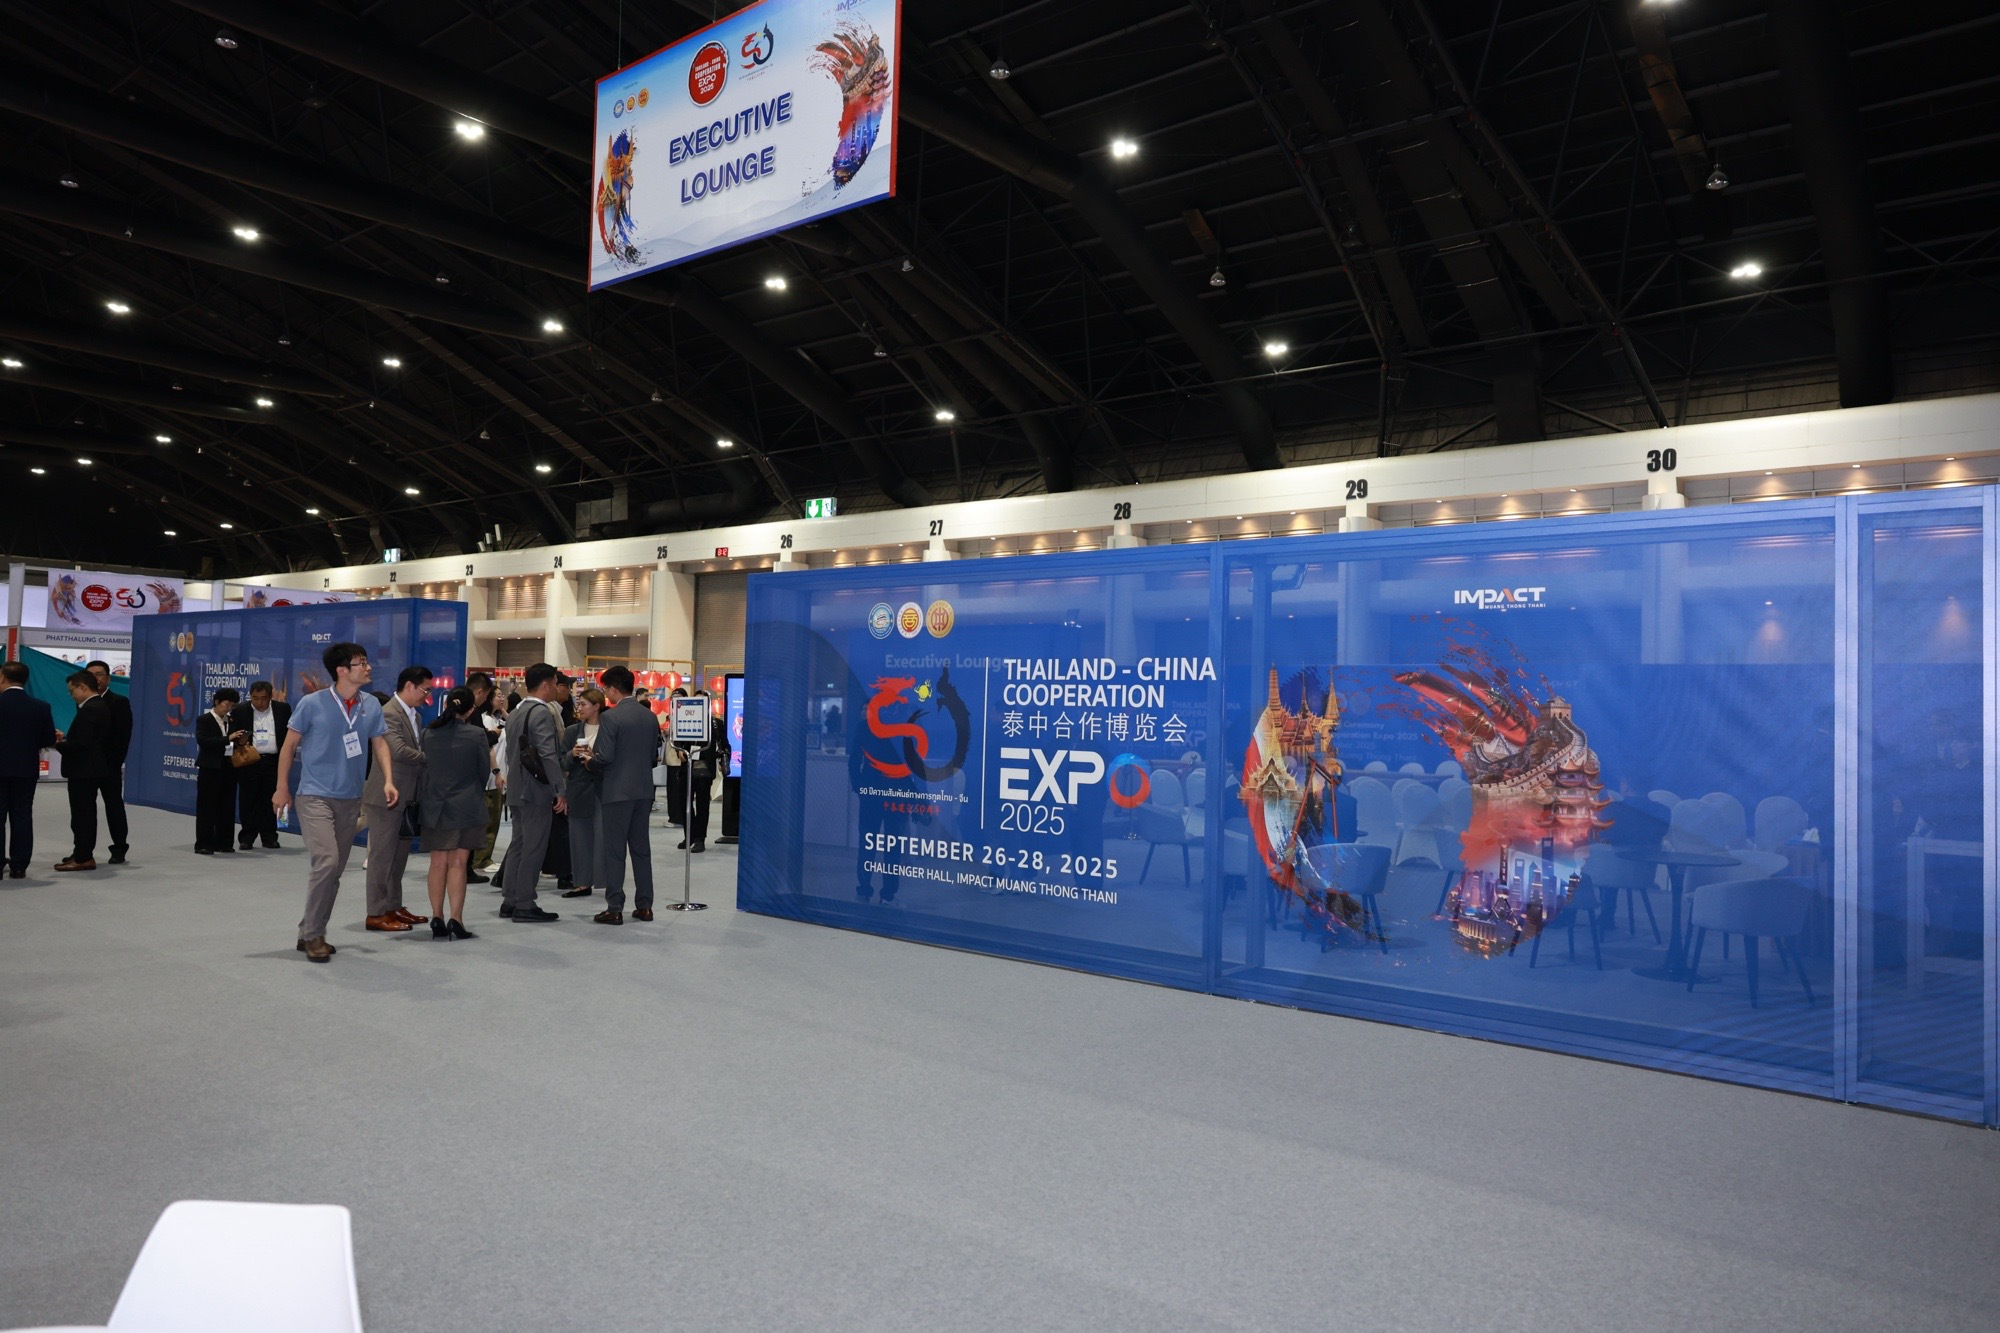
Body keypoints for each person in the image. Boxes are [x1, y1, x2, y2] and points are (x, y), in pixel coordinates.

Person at [272, 642, 397, 964]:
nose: (368, 667)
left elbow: (380, 743)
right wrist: (281, 787)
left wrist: (388, 779)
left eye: (366, 662)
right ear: (342, 670)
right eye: (361, 663)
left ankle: (308, 930)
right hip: (314, 795)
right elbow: (289, 747)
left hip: (350, 798)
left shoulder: (370, 704)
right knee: (327, 862)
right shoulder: (312, 703)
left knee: (334, 871)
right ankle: (315, 935)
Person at [362, 666, 434, 933]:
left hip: (407, 797)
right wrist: (434, 758)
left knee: (399, 856)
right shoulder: (388, 713)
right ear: (410, 686)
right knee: (381, 857)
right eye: (426, 689)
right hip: (386, 796)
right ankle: (375, 912)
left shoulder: (415, 715)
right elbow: (399, 751)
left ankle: (393, 906)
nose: (427, 695)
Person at [585, 665, 657, 924]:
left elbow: (605, 757)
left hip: (616, 791)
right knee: (641, 849)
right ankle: (645, 906)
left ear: (613, 689)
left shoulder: (611, 717)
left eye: (605, 689)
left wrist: (589, 762)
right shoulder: (649, 716)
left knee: (615, 851)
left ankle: (615, 907)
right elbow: (652, 757)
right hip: (644, 790)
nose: (605, 693)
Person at [496, 663, 566, 923]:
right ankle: (525, 902)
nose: (557, 689)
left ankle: (510, 899)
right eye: (555, 683)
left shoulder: (516, 712)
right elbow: (548, 754)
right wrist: (559, 789)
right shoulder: (541, 713)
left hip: (517, 788)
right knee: (534, 847)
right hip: (535, 790)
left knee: (519, 844)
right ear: (546, 684)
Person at [418, 686, 487, 941]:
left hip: (435, 804)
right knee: (458, 863)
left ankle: (436, 916)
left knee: (437, 863)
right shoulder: (476, 734)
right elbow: (483, 771)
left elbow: (424, 769)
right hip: (466, 805)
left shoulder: (428, 733)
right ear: (470, 710)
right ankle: (456, 919)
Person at [0, 661, 58, 879]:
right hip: (26, 768)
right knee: (22, 815)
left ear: (2, 677)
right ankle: (19, 865)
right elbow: (48, 739)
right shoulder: (41, 707)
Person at [53, 671, 113, 872]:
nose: (71, 696)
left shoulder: (90, 709)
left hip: (84, 769)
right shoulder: (97, 706)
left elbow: (81, 744)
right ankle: (81, 852)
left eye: (72, 691)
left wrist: (57, 744)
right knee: (83, 813)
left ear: (82, 687)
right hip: (88, 768)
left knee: (82, 814)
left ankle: (84, 856)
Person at [229, 681, 290, 849]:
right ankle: (247, 837)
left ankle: (270, 836)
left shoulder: (283, 709)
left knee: (272, 799)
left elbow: (289, 735)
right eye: (255, 698)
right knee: (248, 800)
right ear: (250, 696)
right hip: (250, 760)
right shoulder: (240, 710)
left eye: (263, 698)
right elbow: (231, 736)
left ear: (270, 697)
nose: (259, 702)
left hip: (274, 761)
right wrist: (240, 741)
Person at [559, 686, 607, 901]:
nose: (579, 708)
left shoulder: (609, 729)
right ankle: (582, 882)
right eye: (578, 703)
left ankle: (606, 880)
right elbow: (562, 762)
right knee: (579, 837)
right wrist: (572, 754)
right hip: (578, 788)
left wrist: (595, 758)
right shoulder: (572, 731)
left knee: (604, 836)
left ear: (596, 706)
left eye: (584, 704)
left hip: (603, 788)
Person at [82, 661, 132, 865]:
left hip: (109, 766)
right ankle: (83, 850)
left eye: (99, 674)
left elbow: (123, 737)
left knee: (114, 806)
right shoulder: (82, 701)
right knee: (85, 809)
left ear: (108, 678)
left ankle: (119, 847)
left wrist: (114, 763)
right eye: (90, 675)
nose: (95, 678)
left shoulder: (119, 702)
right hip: (86, 767)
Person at [192, 687, 243, 854]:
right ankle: (204, 843)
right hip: (210, 767)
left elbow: (234, 743)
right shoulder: (204, 719)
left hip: (229, 767)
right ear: (217, 702)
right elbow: (204, 741)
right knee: (207, 807)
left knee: (227, 806)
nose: (229, 708)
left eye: (232, 706)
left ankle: (224, 842)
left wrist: (241, 740)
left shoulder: (232, 721)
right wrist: (228, 738)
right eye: (226, 704)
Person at [467, 673, 504, 880]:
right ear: (481, 692)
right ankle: (471, 865)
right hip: (473, 779)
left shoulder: (468, 712)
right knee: (477, 824)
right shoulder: (474, 713)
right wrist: (493, 734)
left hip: (469, 778)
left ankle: (468, 866)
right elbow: (483, 741)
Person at [680, 698, 724, 853]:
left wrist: (723, 758)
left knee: (702, 805)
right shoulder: (685, 720)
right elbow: (678, 741)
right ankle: (690, 835)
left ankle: (700, 839)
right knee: (684, 803)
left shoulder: (716, 724)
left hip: (705, 769)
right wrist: (679, 750)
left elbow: (724, 744)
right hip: (687, 767)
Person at [662, 686, 688, 827]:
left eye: (678, 698)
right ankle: (675, 817)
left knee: (676, 790)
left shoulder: (684, 714)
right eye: (673, 698)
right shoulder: (673, 713)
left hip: (678, 757)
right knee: (673, 789)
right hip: (672, 757)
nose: (675, 700)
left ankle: (676, 818)